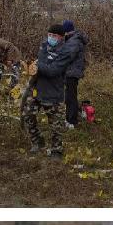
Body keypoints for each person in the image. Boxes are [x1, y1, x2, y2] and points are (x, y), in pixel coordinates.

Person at [22, 24, 75, 158]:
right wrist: (31, 68)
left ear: (61, 37)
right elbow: (43, 63)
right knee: (28, 114)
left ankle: (56, 150)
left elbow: (53, 71)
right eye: (49, 35)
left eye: (54, 36)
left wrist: (37, 65)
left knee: (55, 125)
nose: (50, 37)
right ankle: (37, 141)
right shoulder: (44, 46)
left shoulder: (66, 52)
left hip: (54, 93)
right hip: (37, 89)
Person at [61, 19, 89, 128]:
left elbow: (68, 56)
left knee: (70, 97)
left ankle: (71, 121)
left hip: (72, 72)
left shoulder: (74, 41)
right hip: (72, 71)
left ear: (67, 31)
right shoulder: (73, 39)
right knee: (70, 95)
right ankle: (77, 112)